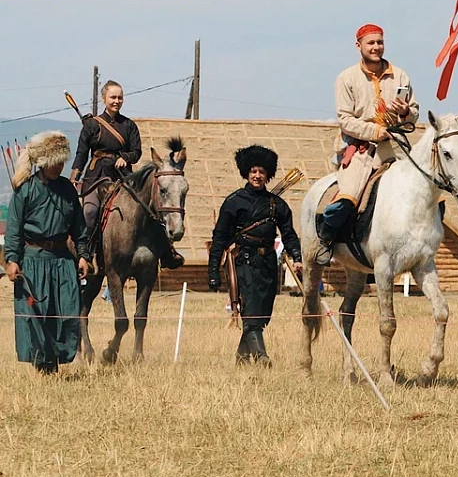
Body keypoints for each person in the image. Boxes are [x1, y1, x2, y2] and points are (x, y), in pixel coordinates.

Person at [314, 23, 417, 266]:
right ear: (358, 45)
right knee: (349, 196)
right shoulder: (346, 78)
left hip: (394, 144)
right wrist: (374, 130)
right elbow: (345, 119)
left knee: (423, 187)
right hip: (359, 147)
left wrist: (405, 113)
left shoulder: (400, 75)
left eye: (379, 42)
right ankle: (327, 240)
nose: (376, 47)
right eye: (371, 43)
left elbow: (414, 113)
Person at [69, 80, 184, 269]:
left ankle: (167, 252)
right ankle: (88, 256)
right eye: (113, 97)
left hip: (123, 176)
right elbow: (81, 154)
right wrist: (74, 177)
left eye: (120, 97)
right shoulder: (91, 125)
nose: (117, 101)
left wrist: (125, 157)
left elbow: (136, 151)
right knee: (89, 212)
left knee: (151, 208)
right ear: (103, 98)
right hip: (97, 176)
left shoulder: (129, 125)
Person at [5, 131, 91, 374]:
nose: (58, 167)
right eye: (54, 162)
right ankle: (43, 367)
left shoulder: (67, 189)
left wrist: (83, 254)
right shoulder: (26, 190)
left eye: (61, 162)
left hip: (63, 261)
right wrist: (11, 260)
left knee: (67, 311)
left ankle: (56, 360)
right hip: (33, 262)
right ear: (43, 162)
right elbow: (13, 229)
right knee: (36, 313)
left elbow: (79, 227)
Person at [207, 145, 302, 365]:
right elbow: (220, 238)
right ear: (246, 173)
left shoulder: (278, 205)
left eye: (261, 171)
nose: (257, 176)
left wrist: (297, 257)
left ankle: (241, 356)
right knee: (250, 311)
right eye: (253, 171)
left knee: (262, 314)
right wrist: (213, 271)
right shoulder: (233, 202)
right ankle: (261, 357)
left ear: (268, 175)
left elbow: (289, 235)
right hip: (244, 261)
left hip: (268, 263)